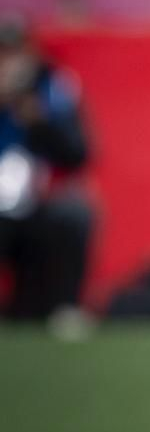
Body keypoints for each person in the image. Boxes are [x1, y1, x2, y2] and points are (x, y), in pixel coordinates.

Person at [0, 18, 94, 334]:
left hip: (36, 202)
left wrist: (36, 120)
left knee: (75, 210)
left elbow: (77, 153)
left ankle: (64, 307)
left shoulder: (53, 88)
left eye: (14, 52)